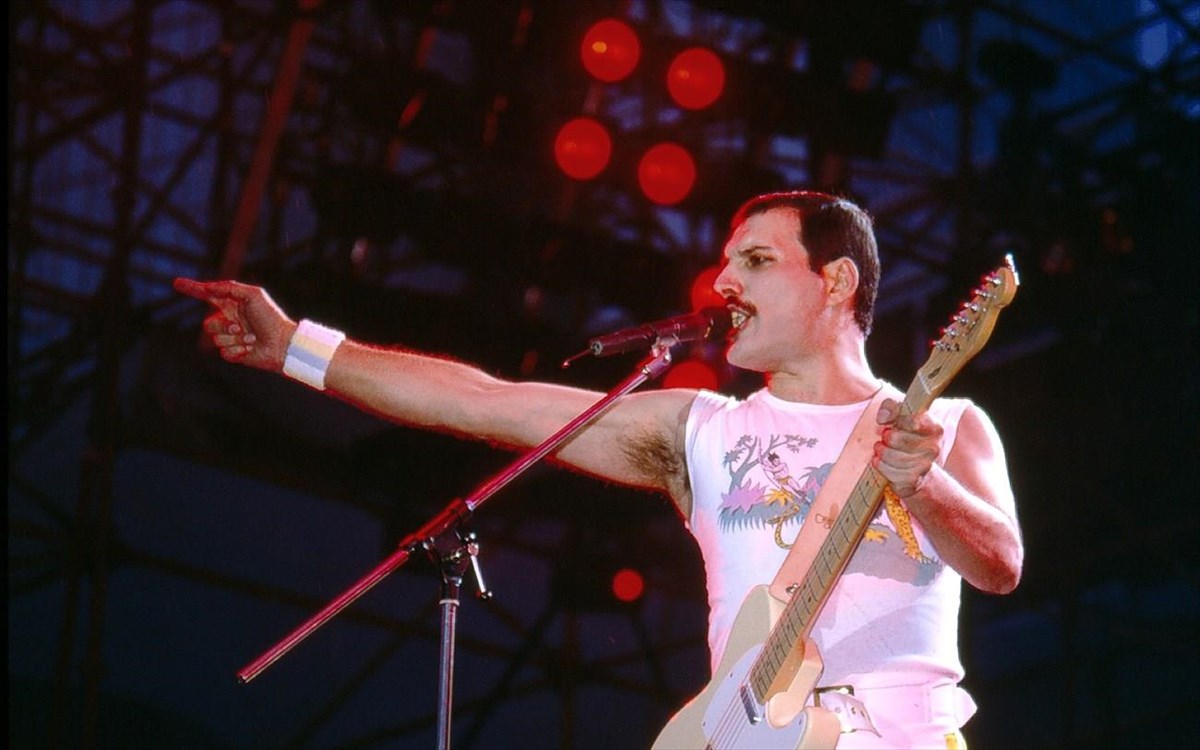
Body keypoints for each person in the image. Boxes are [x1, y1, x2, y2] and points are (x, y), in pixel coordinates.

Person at [175, 190, 1022, 748]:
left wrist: (923, 483)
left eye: (757, 262)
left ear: (836, 281)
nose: (724, 281)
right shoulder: (701, 430)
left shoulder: (944, 424)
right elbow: (485, 401)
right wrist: (297, 348)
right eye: (727, 261)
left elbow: (1000, 564)